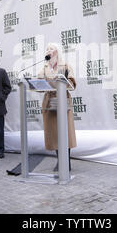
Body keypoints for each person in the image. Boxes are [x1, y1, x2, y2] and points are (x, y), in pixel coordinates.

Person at [37, 43, 76, 171]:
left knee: (66, 132)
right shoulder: (44, 68)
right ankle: (60, 161)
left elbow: (72, 83)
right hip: (49, 102)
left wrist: (63, 81)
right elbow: (38, 84)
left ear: (57, 51)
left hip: (63, 99)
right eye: (47, 49)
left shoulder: (65, 65)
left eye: (51, 49)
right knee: (54, 133)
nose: (48, 51)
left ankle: (67, 162)